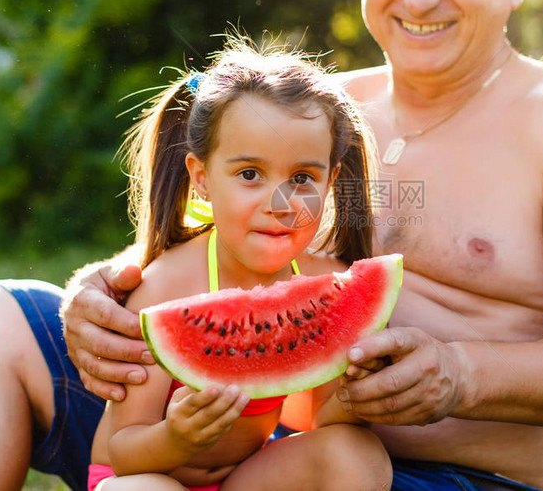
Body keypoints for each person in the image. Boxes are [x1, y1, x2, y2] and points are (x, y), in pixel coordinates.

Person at [0, 0, 543, 490]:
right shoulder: (328, 111)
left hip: (438, 476)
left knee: (343, 457)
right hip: (225, 437)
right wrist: (104, 288)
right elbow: (219, 243)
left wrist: (460, 372)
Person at [83, 40, 391, 490]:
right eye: (250, 174)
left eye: (302, 178)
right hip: (146, 473)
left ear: (331, 184)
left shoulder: (326, 282)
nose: (279, 203)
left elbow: (315, 418)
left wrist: (357, 390)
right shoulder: (165, 286)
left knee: (353, 450)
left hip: (241, 479)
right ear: (202, 178)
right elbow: (123, 451)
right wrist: (176, 436)